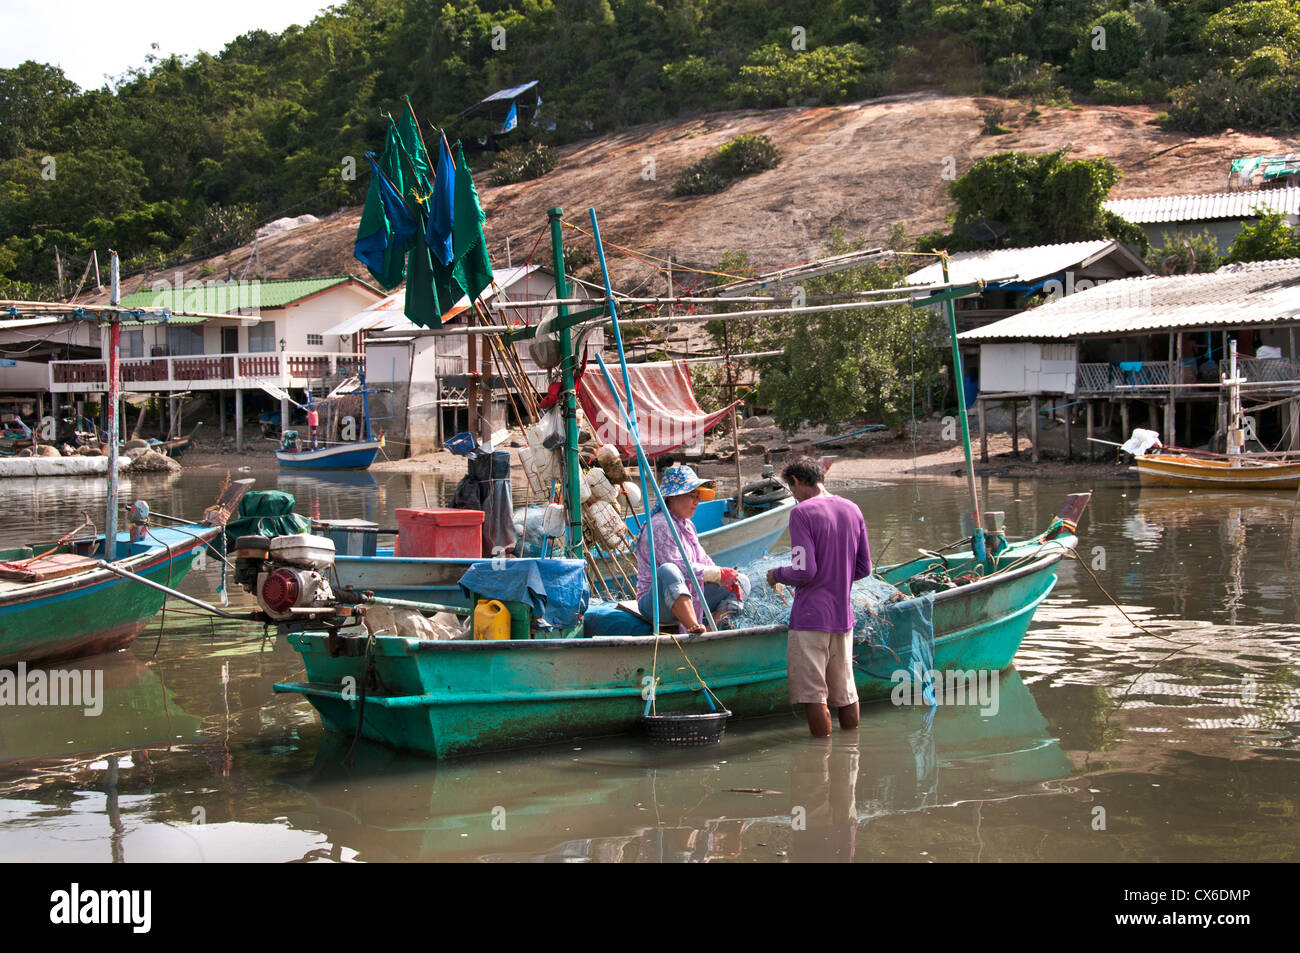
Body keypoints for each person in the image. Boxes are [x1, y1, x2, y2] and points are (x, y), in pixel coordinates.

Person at [765, 456, 871, 738]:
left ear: (797, 482)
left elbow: (804, 571)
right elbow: (864, 568)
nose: (794, 496)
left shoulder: (802, 513)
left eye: (792, 489)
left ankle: (820, 758)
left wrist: (776, 574)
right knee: (847, 692)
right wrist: (837, 577)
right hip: (842, 618)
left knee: (814, 695)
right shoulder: (852, 508)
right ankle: (850, 755)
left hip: (810, 619)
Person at [635, 464, 750, 633]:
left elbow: (703, 561)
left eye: (698, 496)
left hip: (692, 592)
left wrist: (724, 575)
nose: (696, 501)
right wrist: (716, 574)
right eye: (691, 495)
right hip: (657, 603)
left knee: (741, 581)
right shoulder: (659, 525)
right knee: (669, 570)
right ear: (672, 497)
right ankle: (693, 627)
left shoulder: (687, 525)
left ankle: (713, 630)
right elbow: (680, 567)